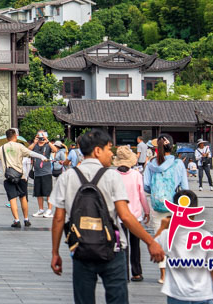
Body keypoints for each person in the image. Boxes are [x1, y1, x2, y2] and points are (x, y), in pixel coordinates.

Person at [50, 129, 165, 303]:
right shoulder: (111, 176)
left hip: (81, 248)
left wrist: (55, 252)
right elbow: (125, 216)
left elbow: (58, 218)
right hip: (113, 248)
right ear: (97, 150)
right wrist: (150, 242)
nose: (111, 154)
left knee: (84, 299)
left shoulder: (67, 177)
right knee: (117, 298)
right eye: (109, 149)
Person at [155, 188, 213, 304]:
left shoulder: (167, 235)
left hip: (177, 294)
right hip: (202, 294)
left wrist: (162, 227)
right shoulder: (205, 236)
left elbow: (153, 247)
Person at [0, 128, 47, 228]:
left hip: (8, 177)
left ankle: (16, 220)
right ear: (15, 136)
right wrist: (41, 157)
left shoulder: (2, 148)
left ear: (7, 138)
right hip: (20, 176)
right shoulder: (19, 146)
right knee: (23, 198)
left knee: (12, 199)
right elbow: (30, 153)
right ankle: (26, 219)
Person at [113, 145, 150, 283]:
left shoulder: (113, 175)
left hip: (118, 216)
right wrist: (147, 211)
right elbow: (142, 195)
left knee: (121, 245)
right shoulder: (136, 175)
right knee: (135, 245)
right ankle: (137, 272)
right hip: (135, 216)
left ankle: (123, 272)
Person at [31, 130, 59, 217]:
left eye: (42, 136)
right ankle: (41, 209)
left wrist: (47, 141)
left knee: (48, 192)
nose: (41, 138)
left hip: (46, 172)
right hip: (37, 172)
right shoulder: (35, 145)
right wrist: (34, 142)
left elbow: (55, 150)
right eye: (39, 135)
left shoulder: (47, 145)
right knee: (38, 192)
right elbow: (28, 150)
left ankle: (49, 210)